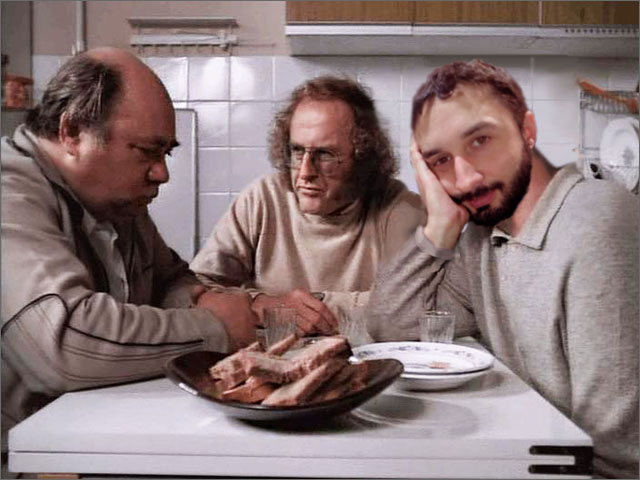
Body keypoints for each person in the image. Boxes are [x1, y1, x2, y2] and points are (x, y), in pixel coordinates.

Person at [367, 60, 638, 479]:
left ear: (527, 130)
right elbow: (393, 325)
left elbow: (620, 457)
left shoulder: (597, 224)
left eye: (480, 141)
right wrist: (440, 226)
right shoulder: (484, 237)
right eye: (441, 160)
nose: (465, 179)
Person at [1, 48, 258, 447]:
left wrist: (203, 298)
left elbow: (169, 279)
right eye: (147, 152)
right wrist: (218, 328)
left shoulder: (114, 201)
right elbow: (62, 344)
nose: (162, 173)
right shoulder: (9, 193)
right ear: (72, 132)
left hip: (85, 438)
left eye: (166, 153)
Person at [191, 76, 426, 335]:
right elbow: (197, 290)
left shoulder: (400, 208)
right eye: (297, 151)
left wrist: (304, 308)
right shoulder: (262, 199)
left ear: (363, 157)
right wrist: (264, 304)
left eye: (325, 154)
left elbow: (414, 306)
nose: (305, 172)